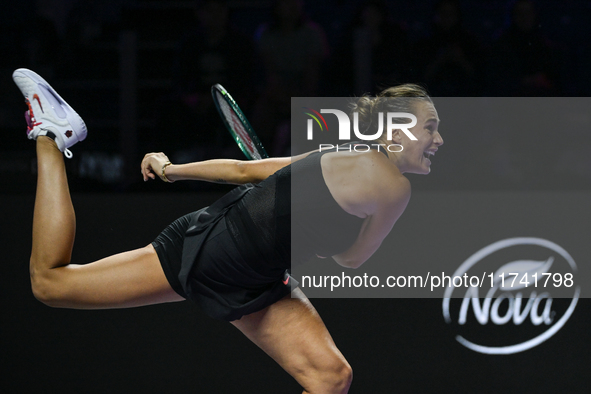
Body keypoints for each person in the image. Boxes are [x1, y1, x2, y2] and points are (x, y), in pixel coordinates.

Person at [14, 68, 442, 394]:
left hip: (253, 272)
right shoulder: (394, 188)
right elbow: (352, 258)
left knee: (330, 377)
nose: (438, 139)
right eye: (430, 127)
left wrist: (171, 170)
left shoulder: (338, 152)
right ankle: (52, 134)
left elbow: (245, 170)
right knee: (50, 283)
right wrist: (333, 238)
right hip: (214, 256)